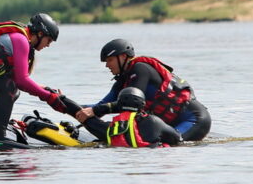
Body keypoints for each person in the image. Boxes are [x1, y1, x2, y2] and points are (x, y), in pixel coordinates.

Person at [76, 39, 211, 141]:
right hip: (171, 123)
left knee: (173, 144)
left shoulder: (140, 69)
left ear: (123, 57)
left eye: (109, 60)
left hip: (195, 119)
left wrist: (96, 111)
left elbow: (131, 104)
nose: (106, 65)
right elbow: (100, 106)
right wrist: (69, 105)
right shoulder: (122, 81)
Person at [78, 87, 182, 147]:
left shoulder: (113, 127)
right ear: (142, 104)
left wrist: (63, 100)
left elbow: (87, 120)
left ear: (119, 104)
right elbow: (177, 138)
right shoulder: (154, 121)